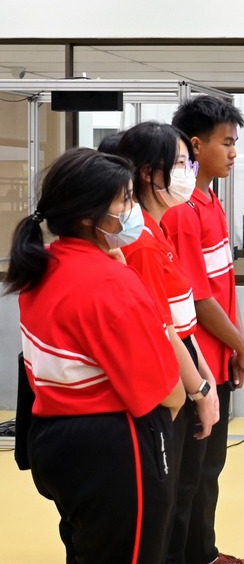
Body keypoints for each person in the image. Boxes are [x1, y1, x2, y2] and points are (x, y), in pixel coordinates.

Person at [6, 147, 184, 563]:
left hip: (53, 439)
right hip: (114, 448)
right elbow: (166, 392)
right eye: (124, 199)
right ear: (89, 215)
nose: (132, 208)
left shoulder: (41, 265)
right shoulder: (111, 282)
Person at [110, 121, 222, 563]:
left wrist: (206, 379)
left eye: (187, 162)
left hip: (188, 375)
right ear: (144, 171)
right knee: (168, 502)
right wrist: (198, 390)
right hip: (167, 390)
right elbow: (161, 328)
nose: (187, 172)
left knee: (184, 491)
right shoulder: (137, 241)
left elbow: (182, 321)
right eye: (178, 163)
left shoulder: (158, 230)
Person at [161, 97, 244, 564]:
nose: (234, 152)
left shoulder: (211, 201)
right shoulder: (182, 213)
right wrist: (239, 345)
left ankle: (204, 552)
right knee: (187, 477)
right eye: (227, 143)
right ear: (196, 146)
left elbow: (223, 287)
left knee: (207, 471)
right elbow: (196, 302)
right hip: (194, 365)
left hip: (219, 358)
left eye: (236, 143)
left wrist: (238, 349)